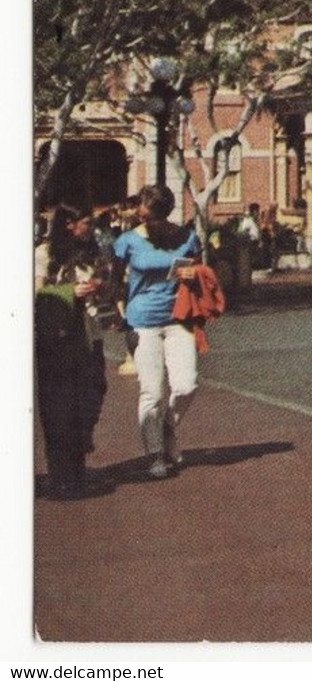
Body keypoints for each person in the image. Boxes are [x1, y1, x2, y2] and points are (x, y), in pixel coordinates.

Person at [110, 185, 200, 479]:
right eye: (142, 217)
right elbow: (114, 282)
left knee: (187, 385)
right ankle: (155, 453)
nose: (144, 222)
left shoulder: (187, 238)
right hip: (142, 321)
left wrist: (192, 274)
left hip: (178, 319)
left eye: (150, 217)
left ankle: (167, 429)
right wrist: (122, 316)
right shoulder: (127, 241)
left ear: (165, 214)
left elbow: (199, 274)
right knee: (152, 391)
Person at [35, 205, 116, 497]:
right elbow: (34, 293)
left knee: (90, 400)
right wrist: (71, 291)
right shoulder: (44, 254)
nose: (91, 227)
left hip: (89, 337)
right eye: (86, 222)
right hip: (57, 342)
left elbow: (108, 289)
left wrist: (101, 285)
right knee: (60, 411)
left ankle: (75, 470)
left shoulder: (92, 253)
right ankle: (63, 478)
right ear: (69, 224)